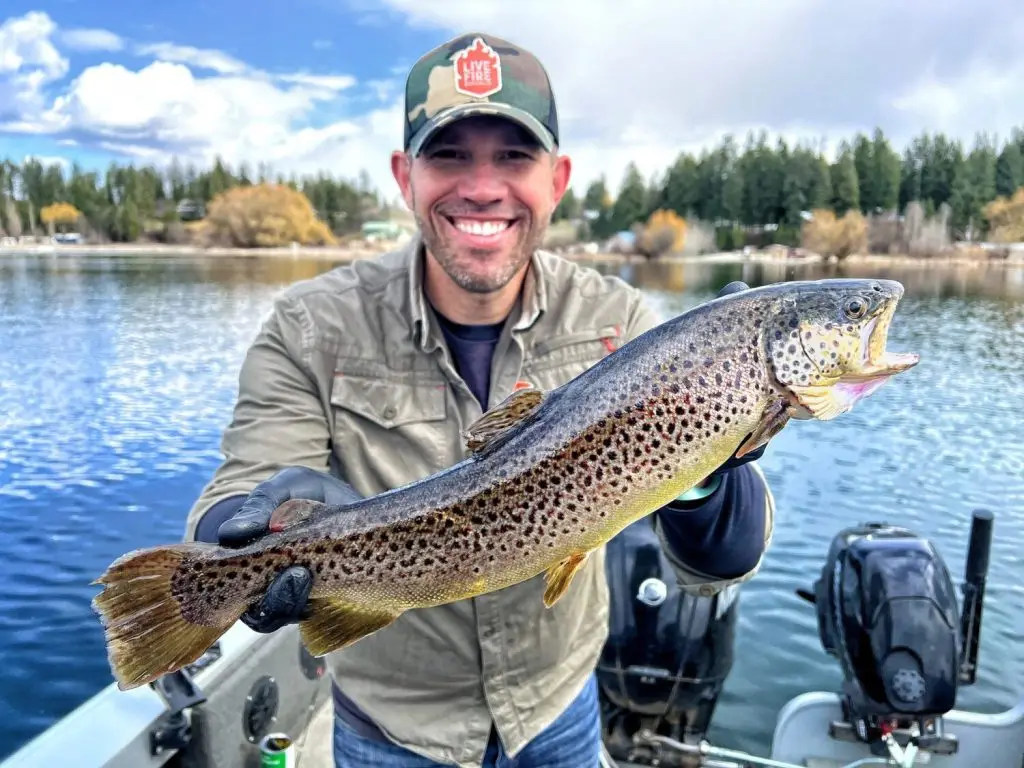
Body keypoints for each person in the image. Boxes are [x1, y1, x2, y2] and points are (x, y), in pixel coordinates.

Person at [184, 31, 776, 768]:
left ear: (557, 179)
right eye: (450, 155)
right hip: (392, 731)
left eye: (514, 157)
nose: (483, 187)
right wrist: (245, 525)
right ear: (406, 177)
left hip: (556, 712)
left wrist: (705, 468)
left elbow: (722, 561)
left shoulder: (622, 327)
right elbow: (239, 486)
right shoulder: (311, 327)